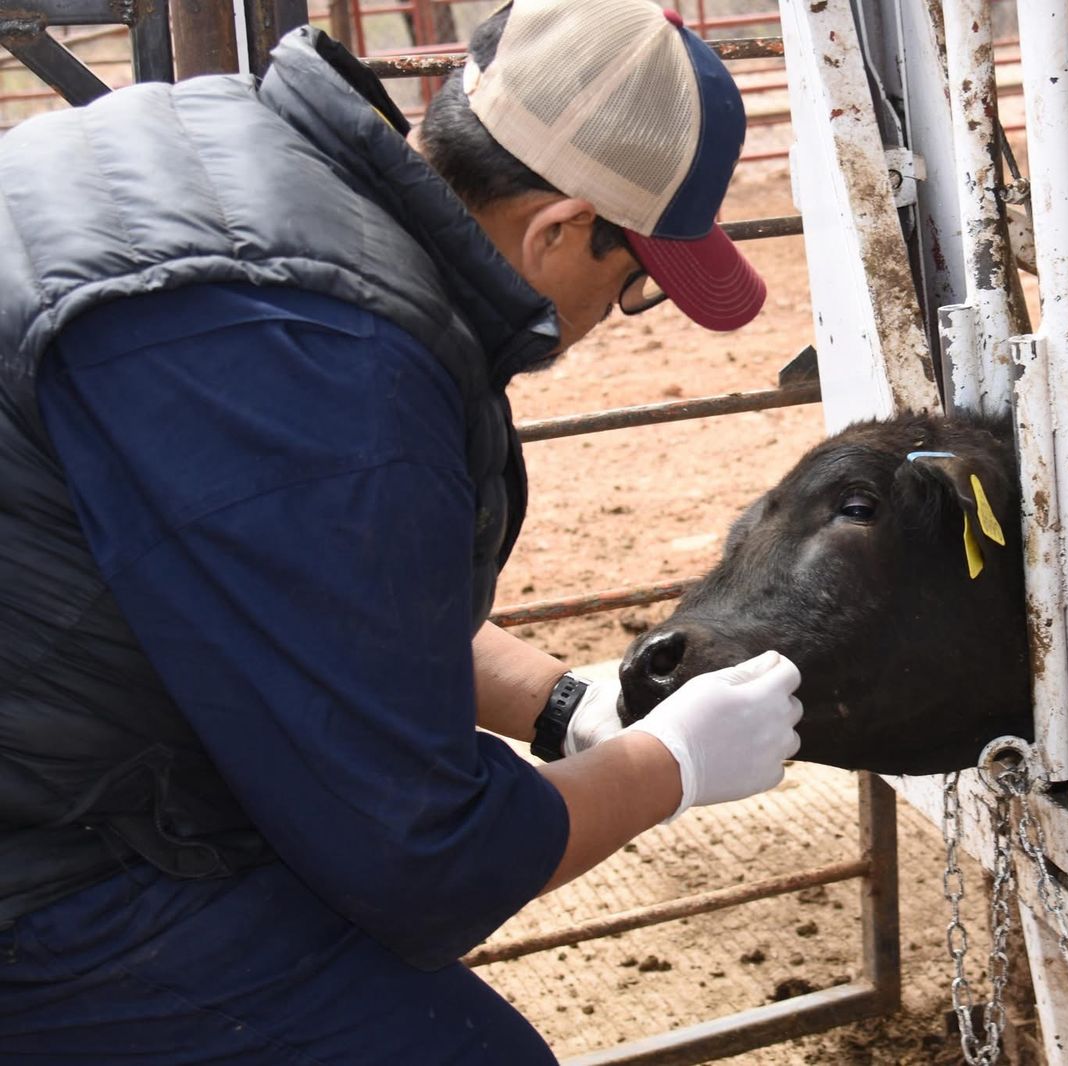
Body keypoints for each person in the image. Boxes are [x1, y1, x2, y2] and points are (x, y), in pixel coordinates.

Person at [0, 1, 802, 1061]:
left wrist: (565, 706)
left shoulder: (234, 152)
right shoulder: (323, 364)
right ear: (559, 229)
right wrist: (670, 764)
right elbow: (421, 861)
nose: (618, 312)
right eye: (635, 283)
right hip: (43, 860)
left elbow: (298, 603)